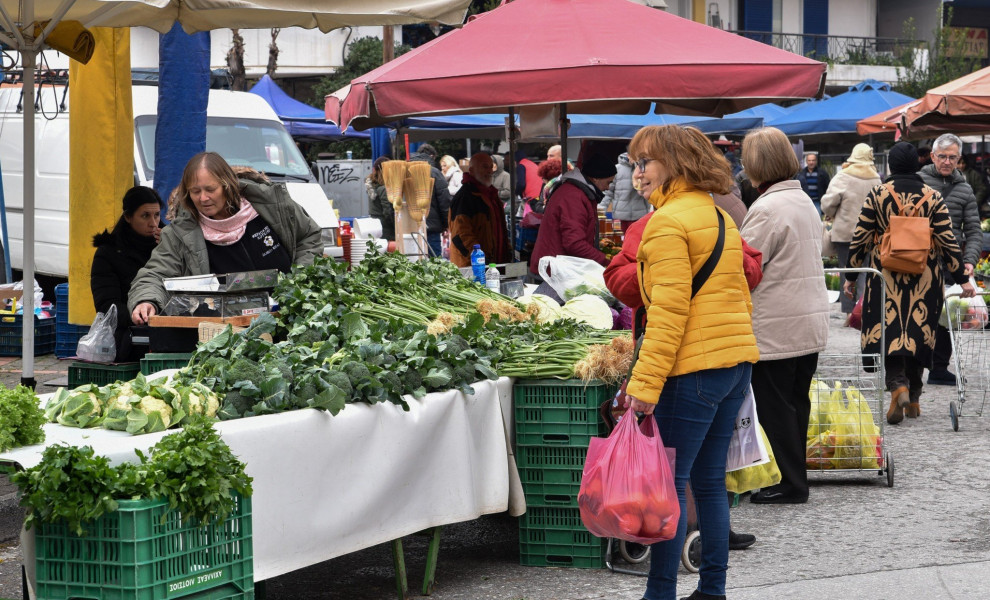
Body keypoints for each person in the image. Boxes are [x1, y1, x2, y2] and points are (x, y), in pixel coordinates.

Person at [616, 125, 759, 600]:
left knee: (671, 486)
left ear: (675, 164)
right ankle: (712, 590)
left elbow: (667, 314)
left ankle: (659, 594)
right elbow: (740, 297)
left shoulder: (666, 224)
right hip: (733, 365)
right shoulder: (719, 217)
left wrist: (643, 386)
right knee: (710, 482)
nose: (637, 174)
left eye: (645, 163)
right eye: (634, 163)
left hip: (693, 370)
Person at [844, 142, 974, 423]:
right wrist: (962, 278)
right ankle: (914, 397)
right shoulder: (933, 196)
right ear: (918, 163)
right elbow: (948, 241)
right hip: (925, 278)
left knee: (889, 331)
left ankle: (898, 386)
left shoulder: (878, 194)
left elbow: (860, 238)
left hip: (885, 277)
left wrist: (851, 276)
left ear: (890, 165)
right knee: (919, 332)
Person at [739, 127, 829, 506]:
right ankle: (794, 478)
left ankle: (789, 483)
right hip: (806, 320)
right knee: (795, 402)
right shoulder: (802, 199)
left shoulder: (766, 209)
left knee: (775, 406)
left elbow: (745, 266)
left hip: (776, 323)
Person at [128, 152, 322, 324]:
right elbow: (155, 273)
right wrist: (146, 300)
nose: (203, 198)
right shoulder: (179, 234)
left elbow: (308, 237)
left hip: (289, 320)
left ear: (227, 185)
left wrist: (299, 285)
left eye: (210, 189)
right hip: (222, 334)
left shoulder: (273, 205)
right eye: (195, 191)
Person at [918, 133, 983, 386]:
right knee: (918, 314)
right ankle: (914, 368)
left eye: (952, 157)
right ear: (933, 156)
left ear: (959, 159)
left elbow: (974, 230)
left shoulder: (965, 189)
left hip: (950, 262)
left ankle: (939, 368)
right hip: (919, 260)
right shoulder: (919, 182)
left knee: (946, 314)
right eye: (942, 156)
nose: (947, 161)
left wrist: (970, 260)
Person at [90, 186, 162, 362]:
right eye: (145, 216)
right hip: (127, 339)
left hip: (167, 331)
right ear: (128, 217)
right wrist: (139, 314)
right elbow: (106, 304)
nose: (153, 223)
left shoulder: (168, 244)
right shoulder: (108, 253)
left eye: (157, 215)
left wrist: (170, 243)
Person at [528, 154, 616, 277]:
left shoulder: (577, 192)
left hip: (558, 267)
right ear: (596, 178)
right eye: (608, 182)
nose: (608, 187)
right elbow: (574, 243)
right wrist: (606, 261)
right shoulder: (574, 196)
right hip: (554, 271)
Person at [821, 143, 881, 315]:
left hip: (845, 233)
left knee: (846, 271)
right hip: (869, 233)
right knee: (865, 271)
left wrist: (832, 213)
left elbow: (827, 204)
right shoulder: (876, 179)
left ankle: (849, 312)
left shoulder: (843, 176)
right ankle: (863, 311)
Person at [448, 152, 510, 268]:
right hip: (473, 268)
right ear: (471, 170)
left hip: (494, 265)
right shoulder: (465, 197)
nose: (490, 171)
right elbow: (460, 235)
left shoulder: (492, 195)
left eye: (491, 167)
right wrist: (480, 259)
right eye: (485, 167)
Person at [409, 143, 452, 258]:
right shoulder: (434, 172)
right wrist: (446, 224)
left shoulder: (405, 170)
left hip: (408, 227)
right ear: (432, 156)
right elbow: (444, 201)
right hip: (431, 228)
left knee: (412, 260)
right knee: (434, 261)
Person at [599, 152, 651, 233]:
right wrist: (601, 210)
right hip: (619, 217)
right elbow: (609, 193)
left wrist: (638, 167)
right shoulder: (616, 169)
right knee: (619, 240)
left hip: (639, 216)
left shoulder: (644, 170)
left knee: (637, 239)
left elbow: (647, 191)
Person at [367, 156, 395, 242]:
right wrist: (397, 225)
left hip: (375, 227)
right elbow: (388, 212)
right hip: (386, 231)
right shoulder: (383, 189)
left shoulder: (372, 186)